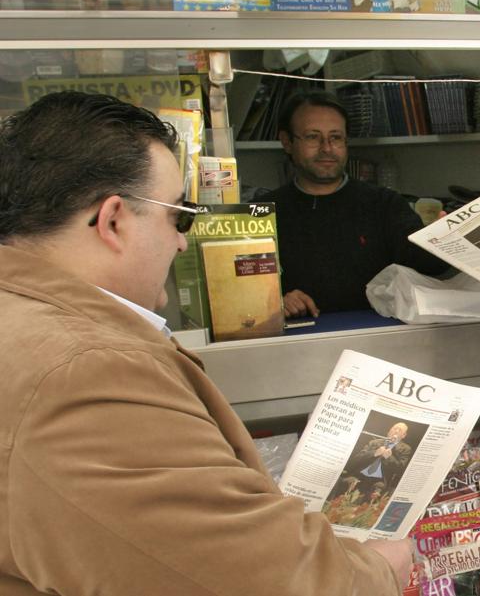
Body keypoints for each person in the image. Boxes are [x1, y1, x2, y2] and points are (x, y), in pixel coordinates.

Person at [0, 91, 412, 594]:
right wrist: (377, 571)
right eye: (178, 217)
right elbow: (257, 579)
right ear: (112, 220)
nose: (181, 242)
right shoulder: (90, 373)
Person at [261, 90, 446, 318]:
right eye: (312, 137)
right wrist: (273, 300)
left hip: (379, 340)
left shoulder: (385, 204)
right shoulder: (261, 214)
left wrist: (445, 241)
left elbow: (428, 267)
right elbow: (238, 292)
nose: (327, 148)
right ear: (287, 142)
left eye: (336, 137)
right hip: (296, 344)